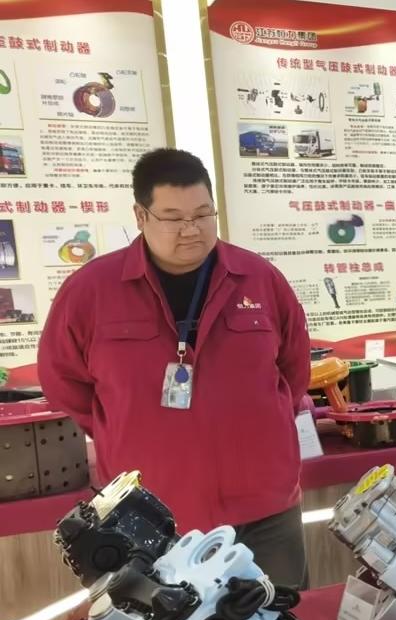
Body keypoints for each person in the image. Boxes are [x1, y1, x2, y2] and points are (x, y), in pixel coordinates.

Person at [39, 148, 312, 586]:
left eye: (203, 214)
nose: (192, 229)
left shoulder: (259, 279)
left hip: (266, 508)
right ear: (141, 216)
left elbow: (293, 370)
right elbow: (64, 382)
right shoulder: (91, 291)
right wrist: (127, 427)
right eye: (173, 217)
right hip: (152, 517)